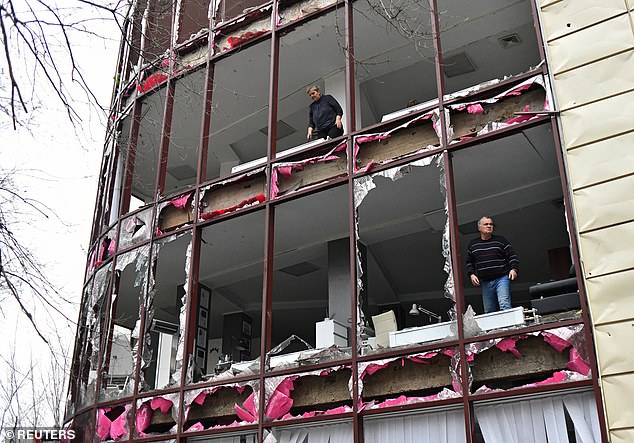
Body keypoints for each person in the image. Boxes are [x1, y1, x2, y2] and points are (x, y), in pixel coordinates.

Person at [466, 216, 519, 313]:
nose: (489, 226)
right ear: (479, 228)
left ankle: (510, 328)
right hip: (486, 282)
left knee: (504, 304)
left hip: (502, 278)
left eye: (491, 224)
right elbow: (469, 262)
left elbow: (512, 256)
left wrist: (513, 269)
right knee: (489, 310)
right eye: (486, 224)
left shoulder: (500, 240)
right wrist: (471, 274)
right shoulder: (473, 244)